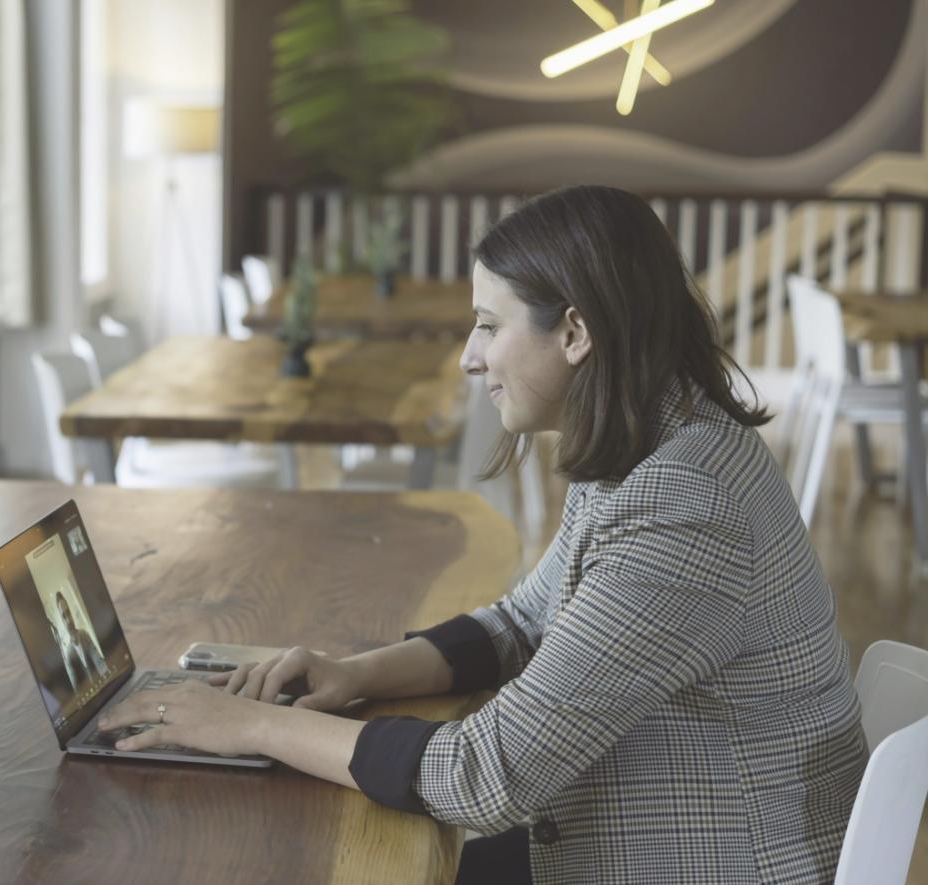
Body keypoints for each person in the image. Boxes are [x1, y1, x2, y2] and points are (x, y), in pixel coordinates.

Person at [96, 185, 868, 885]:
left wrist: (253, 726)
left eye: (489, 326)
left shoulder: (685, 500)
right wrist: (352, 673)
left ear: (574, 332)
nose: (469, 357)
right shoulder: (648, 439)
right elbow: (521, 622)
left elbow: (486, 775)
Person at [55, 590, 107, 693]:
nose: (69, 621)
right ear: (61, 621)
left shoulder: (84, 635)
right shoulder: (68, 655)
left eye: (68, 613)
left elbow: (99, 662)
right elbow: (76, 689)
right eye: (64, 617)